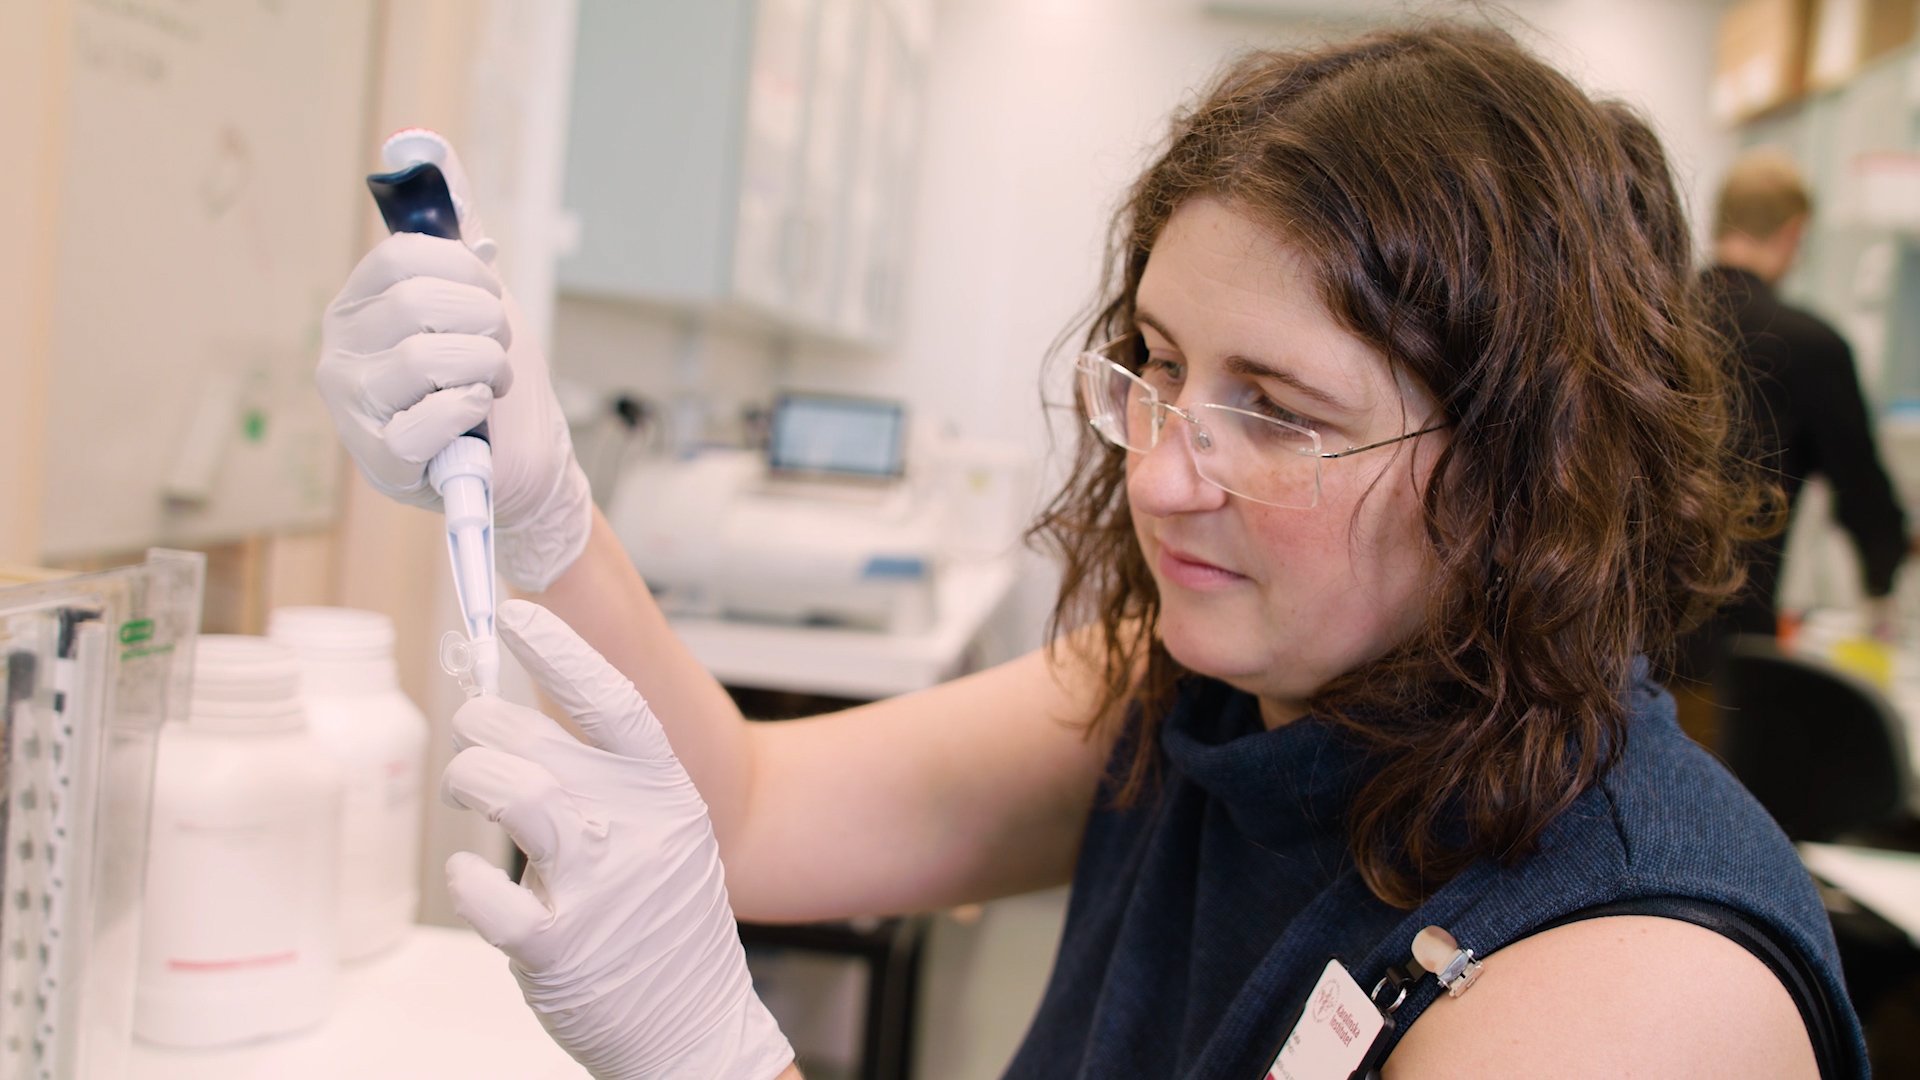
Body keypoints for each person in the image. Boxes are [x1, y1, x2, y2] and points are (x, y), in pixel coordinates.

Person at [316, 22, 1865, 1079]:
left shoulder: (1637, 991)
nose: (1168, 474)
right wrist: (545, 508)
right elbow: (760, 810)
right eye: (1161, 364)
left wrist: (727, 1050)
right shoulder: (1207, 702)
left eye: (1278, 412)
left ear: (1530, 471)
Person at [1676, 150, 1908, 696]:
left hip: (1610, 648)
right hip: (1728, 659)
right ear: (1794, 232)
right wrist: (1882, 583)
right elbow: (1865, 496)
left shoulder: (1658, 318)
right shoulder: (1810, 345)